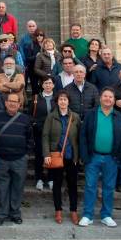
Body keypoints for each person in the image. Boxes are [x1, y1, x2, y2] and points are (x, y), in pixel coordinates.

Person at [77, 87, 121, 228]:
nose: (107, 99)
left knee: (109, 187)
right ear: (100, 98)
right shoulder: (91, 114)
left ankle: (106, 215)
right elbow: (82, 135)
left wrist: (119, 156)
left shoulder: (120, 117)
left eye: (110, 97)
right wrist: (84, 155)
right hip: (93, 157)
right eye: (105, 96)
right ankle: (88, 215)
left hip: (111, 158)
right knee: (90, 186)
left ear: (113, 100)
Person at [0, 92, 33, 225]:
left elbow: (30, 139)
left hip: (19, 159)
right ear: (6, 102)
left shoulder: (25, 119)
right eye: (10, 101)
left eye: (16, 101)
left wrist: (26, 154)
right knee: (2, 187)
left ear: (19, 104)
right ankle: (1, 213)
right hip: (1, 158)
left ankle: (15, 213)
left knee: (17, 187)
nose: (13, 103)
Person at [42, 90, 81, 225]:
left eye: (65, 99)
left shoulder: (75, 117)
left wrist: (79, 155)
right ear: (57, 101)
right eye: (60, 99)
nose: (63, 101)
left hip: (72, 156)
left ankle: (73, 211)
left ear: (68, 102)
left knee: (72, 185)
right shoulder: (51, 117)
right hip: (56, 155)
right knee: (57, 185)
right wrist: (46, 154)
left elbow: (79, 137)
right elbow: (45, 136)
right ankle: (58, 210)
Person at [31, 77, 55, 192]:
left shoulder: (58, 98)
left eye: (50, 83)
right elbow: (30, 115)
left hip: (54, 133)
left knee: (53, 155)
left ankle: (51, 179)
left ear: (53, 85)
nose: (48, 85)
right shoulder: (36, 98)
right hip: (39, 132)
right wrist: (36, 124)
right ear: (42, 85)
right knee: (40, 156)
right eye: (46, 83)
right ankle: (39, 179)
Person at [25, 28, 45, 94]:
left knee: (44, 88)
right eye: (37, 35)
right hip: (33, 70)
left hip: (44, 70)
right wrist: (36, 56)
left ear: (43, 36)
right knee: (35, 89)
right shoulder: (31, 45)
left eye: (41, 35)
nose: (39, 36)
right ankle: (35, 103)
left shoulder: (46, 44)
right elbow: (28, 58)